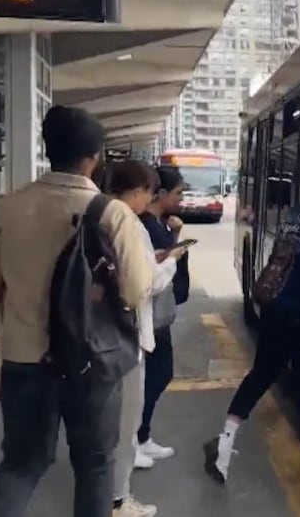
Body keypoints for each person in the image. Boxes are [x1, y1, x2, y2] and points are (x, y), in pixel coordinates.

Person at [0, 106, 156, 517]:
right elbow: (137, 288)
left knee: (21, 465)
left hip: (24, 361)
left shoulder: (6, 210)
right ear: (94, 157)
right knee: (94, 466)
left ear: (47, 148)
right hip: (91, 361)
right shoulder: (112, 214)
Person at [203, 172, 300, 483]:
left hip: (273, 303)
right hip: (296, 311)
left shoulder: (294, 214)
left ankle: (226, 438)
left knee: (265, 371)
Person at [108, 161, 185, 517]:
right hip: (127, 335)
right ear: (139, 190)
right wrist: (170, 262)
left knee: (109, 422)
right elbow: (146, 283)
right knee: (125, 423)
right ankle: (118, 500)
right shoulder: (128, 222)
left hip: (102, 333)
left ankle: (110, 495)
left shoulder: (98, 214)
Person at [135, 166, 189, 464]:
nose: (181, 199)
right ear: (161, 194)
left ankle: (141, 436)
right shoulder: (149, 227)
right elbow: (159, 274)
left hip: (157, 315)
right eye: (178, 193)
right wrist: (176, 239)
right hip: (151, 317)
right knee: (155, 375)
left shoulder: (157, 224)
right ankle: (135, 439)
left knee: (156, 375)